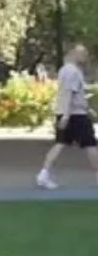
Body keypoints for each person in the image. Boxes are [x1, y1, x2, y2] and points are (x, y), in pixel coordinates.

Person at [35, 43, 98, 189]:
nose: (84, 56)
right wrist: (66, 116)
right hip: (75, 115)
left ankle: (43, 174)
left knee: (61, 143)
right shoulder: (72, 71)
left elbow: (71, 95)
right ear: (73, 53)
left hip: (69, 113)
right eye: (82, 53)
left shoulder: (66, 70)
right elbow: (69, 94)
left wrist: (82, 109)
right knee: (90, 144)